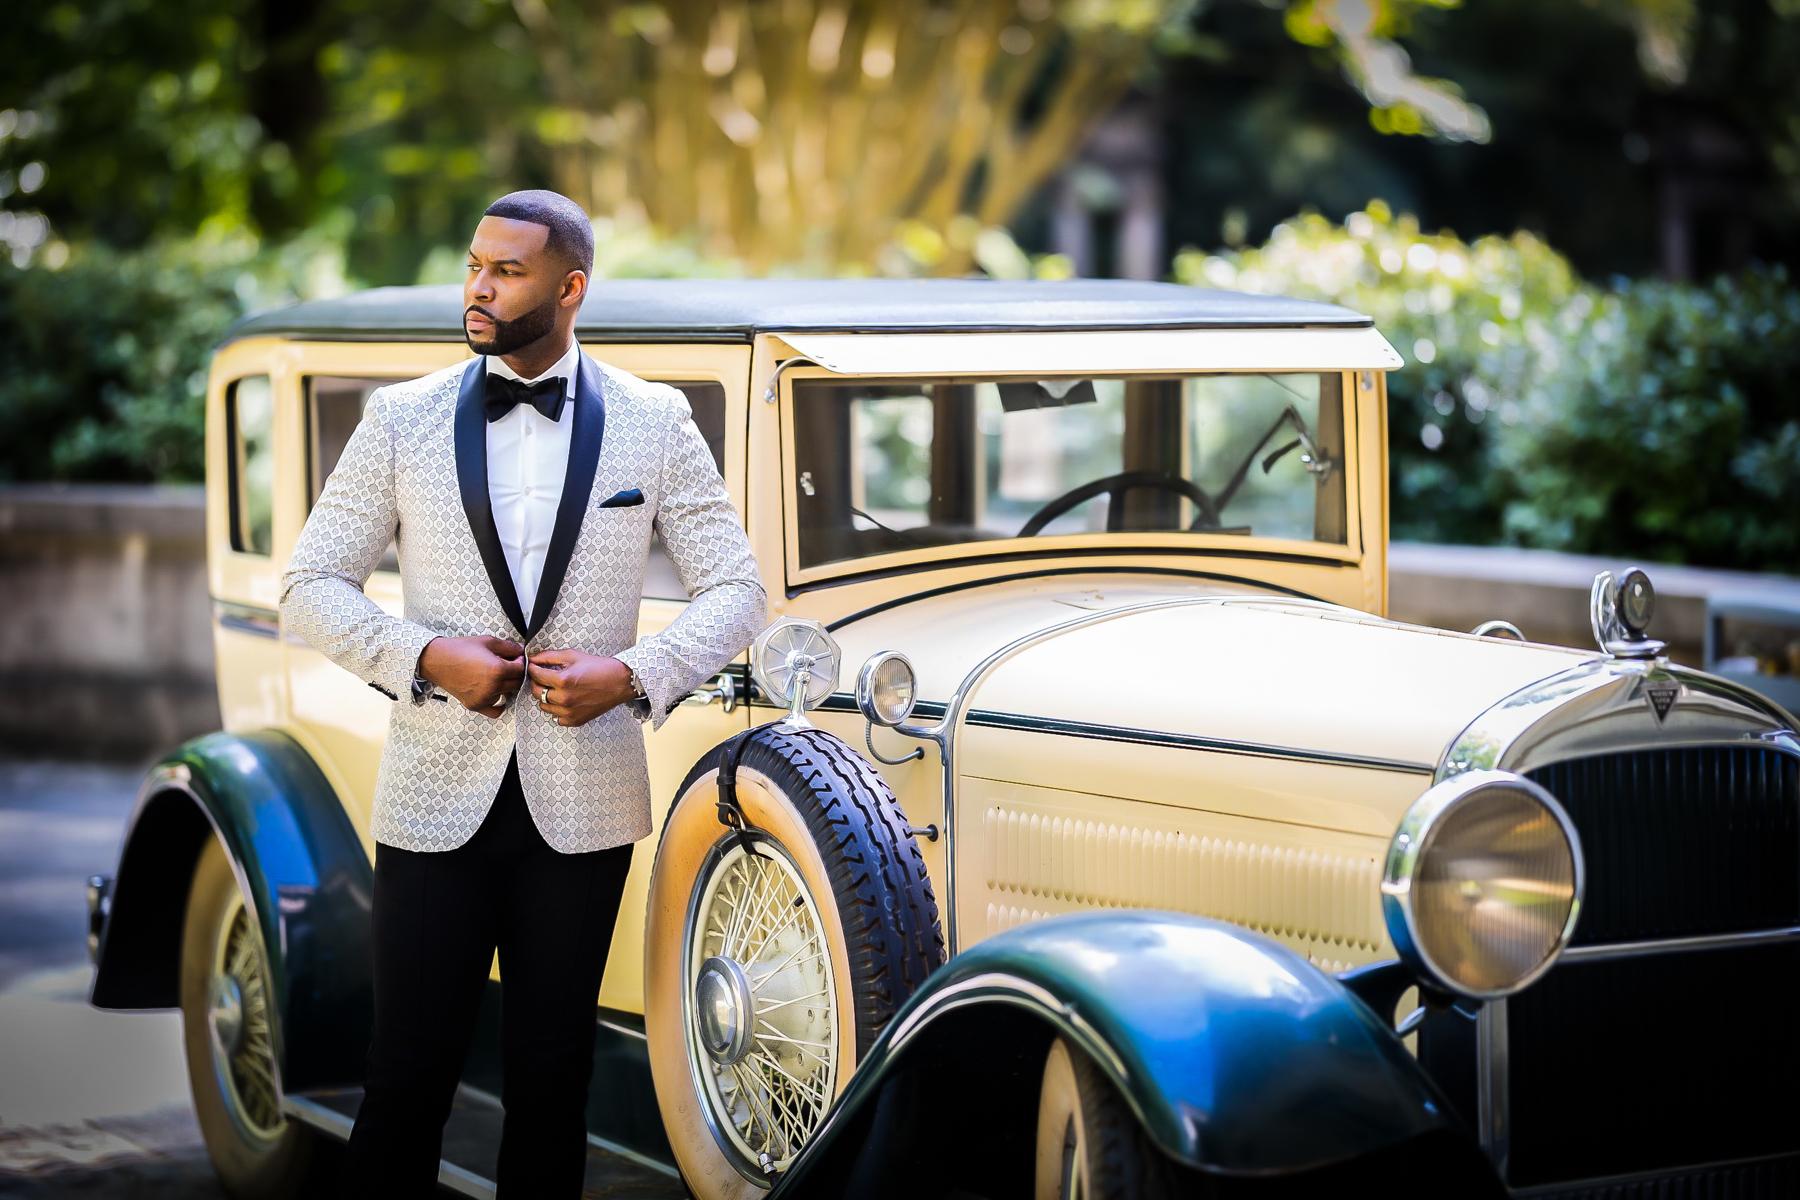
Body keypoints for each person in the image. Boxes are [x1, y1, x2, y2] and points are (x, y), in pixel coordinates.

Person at [278, 188, 767, 1197]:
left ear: (569, 288)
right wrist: (425, 657)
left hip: (585, 807)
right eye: (474, 265)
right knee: (405, 1080)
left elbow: (739, 589)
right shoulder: (401, 418)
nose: (480, 287)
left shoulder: (655, 420)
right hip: (432, 797)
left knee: (554, 1085)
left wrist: (632, 675)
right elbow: (309, 585)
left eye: (507, 271)